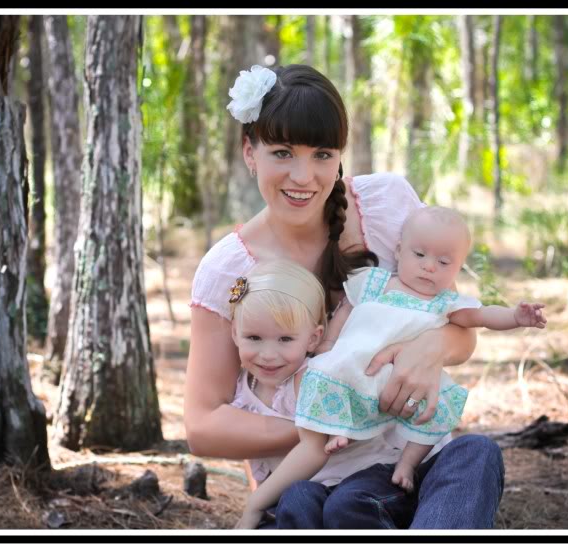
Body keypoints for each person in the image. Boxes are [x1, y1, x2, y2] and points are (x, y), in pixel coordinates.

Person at [185, 63, 504, 529]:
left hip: (405, 465)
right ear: (249, 152)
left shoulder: (387, 206)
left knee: (476, 454)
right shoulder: (227, 270)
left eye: (322, 154)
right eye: (282, 153)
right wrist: (332, 423)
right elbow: (202, 426)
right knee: (322, 508)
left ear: (339, 155)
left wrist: (431, 346)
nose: (303, 176)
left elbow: (459, 331)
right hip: (310, 486)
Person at [235, 206, 547, 529]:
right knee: (326, 496)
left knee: (468, 445)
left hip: (400, 403)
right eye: (420, 255)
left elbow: (481, 316)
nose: (429, 266)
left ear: (458, 268)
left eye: (443, 262)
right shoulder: (373, 284)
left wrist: (515, 317)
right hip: (356, 377)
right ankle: (341, 429)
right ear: (399, 251)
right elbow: (340, 325)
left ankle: (407, 466)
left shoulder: (444, 303)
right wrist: (328, 351)